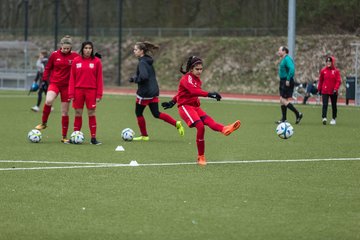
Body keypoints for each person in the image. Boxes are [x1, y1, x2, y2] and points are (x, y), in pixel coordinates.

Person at [161, 56, 241, 166]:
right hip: (185, 107)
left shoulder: (197, 80)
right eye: (197, 69)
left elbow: (183, 93)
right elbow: (193, 91)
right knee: (200, 126)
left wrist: (172, 101)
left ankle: (225, 129)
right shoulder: (186, 78)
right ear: (191, 69)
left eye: (201, 69)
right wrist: (210, 94)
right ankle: (201, 157)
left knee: (209, 121)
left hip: (195, 107)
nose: (199, 71)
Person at [129, 41, 185, 141]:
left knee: (138, 113)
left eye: (136, 49)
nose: (134, 51)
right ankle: (176, 123)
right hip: (153, 92)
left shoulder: (142, 62)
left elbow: (144, 76)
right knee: (156, 113)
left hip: (145, 93)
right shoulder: (148, 60)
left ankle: (144, 136)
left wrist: (134, 79)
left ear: (141, 51)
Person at [34, 35, 79, 143]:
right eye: (64, 48)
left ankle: (64, 137)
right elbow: (48, 68)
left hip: (67, 87)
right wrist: (44, 80)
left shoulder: (75, 56)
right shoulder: (54, 55)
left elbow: (83, 63)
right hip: (55, 83)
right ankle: (44, 123)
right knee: (48, 100)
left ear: (71, 47)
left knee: (65, 112)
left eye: (68, 48)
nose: (66, 50)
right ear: (61, 46)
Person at [68, 41, 103, 145]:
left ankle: (93, 138)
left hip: (91, 91)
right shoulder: (76, 61)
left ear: (92, 50)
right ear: (82, 49)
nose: (88, 50)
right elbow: (72, 78)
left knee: (91, 113)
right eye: (86, 48)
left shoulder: (96, 61)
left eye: (90, 48)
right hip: (78, 91)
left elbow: (99, 79)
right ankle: (75, 136)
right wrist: (71, 94)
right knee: (78, 113)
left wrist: (99, 94)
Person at [275, 46, 303, 124]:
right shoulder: (284, 59)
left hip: (287, 81)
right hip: (283, 81)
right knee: (283, 100)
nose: (278, 52)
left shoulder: (287, 59)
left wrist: (288, 79)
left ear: (284, 51)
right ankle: (284, 119)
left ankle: (298, 114)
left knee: (283, 100)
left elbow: (292, 69)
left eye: (279, 50)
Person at [317, 56, 342, 125]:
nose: (328, 63)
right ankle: (324, 117)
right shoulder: (323, 71)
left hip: (333, 91)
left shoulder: (336, 71)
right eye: (327, 61)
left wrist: (335, 89)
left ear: (332, 62)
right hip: (325, 90)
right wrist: (319, 89)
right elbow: (321, 81)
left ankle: (334, 118)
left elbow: (338, 81)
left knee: (334, 105)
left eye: (330, 61)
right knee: (325, 104)